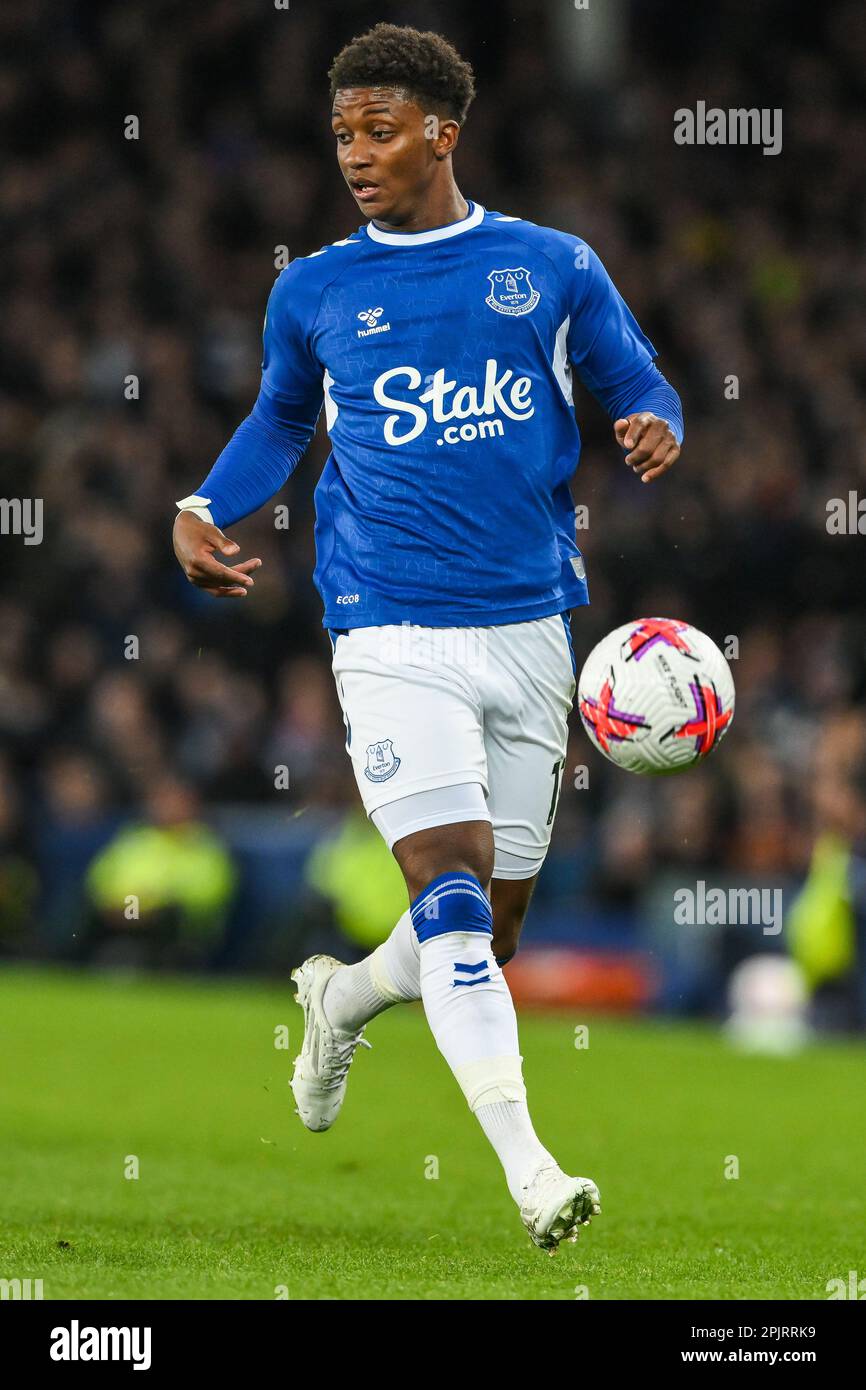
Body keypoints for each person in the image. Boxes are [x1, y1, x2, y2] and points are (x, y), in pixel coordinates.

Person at [173, 23, 683, 1252]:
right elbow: (278, 420)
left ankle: (342, 994)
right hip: (387, 625)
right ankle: (530, 1171)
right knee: (450, 896)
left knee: (492, 934)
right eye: (342, 132)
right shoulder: (314, 290)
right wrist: (199, 506)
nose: (354, 153)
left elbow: (637, 377)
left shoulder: (549, 267)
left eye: (379, 130)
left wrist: (655, 421)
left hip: (528, 633)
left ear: (441, 133)